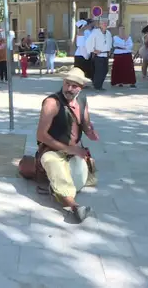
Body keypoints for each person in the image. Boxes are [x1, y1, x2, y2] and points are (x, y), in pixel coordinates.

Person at [36, 67, 99, 223]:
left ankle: (52, 184)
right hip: (53, 150)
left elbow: (85, 123)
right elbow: (41, 135)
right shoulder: (52, 103)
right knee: (54, 166)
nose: (69, 88)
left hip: (73, 152)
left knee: (79, 181)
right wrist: (69, 148)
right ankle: (75, 207)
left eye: (74, 86)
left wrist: (89, 131)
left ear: (81, 88)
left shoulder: (82, 99)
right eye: (66, 84)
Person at [85, 19, 112, 91]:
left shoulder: (108, 33)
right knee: (99, 71)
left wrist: (109, 50)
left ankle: (99, 85)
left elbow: (109, 42)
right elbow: (88, 42)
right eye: (103, 23)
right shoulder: (95, 32)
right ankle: (97, 86)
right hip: (98, 55)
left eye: (106, 23)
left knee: (105, 70)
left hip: (105, 55)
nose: (105, 24)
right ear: (100, 25)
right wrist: (93, 50)